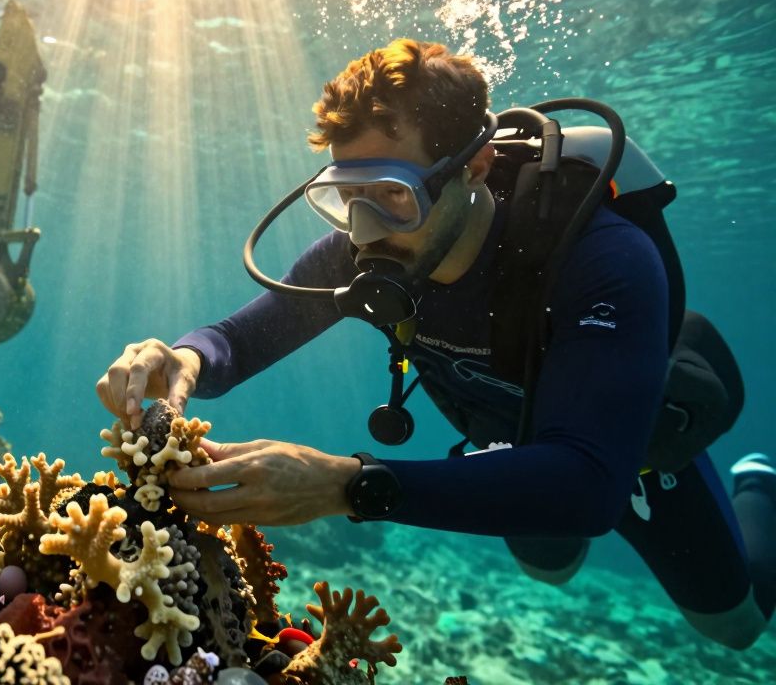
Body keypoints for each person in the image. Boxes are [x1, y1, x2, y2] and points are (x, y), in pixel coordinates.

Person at [96, 39, 774, 650]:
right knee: (549, 568)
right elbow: (234, 341)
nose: (363, 231)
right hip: (519, 448)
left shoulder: (602, 258)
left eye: (392, 195)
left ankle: (758, 490)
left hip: (632, 446)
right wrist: (179, 357)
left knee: (736, 627)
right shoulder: (362, 249)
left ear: (474, 165)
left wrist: (348, 486)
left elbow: (593, 488)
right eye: (344, 197)